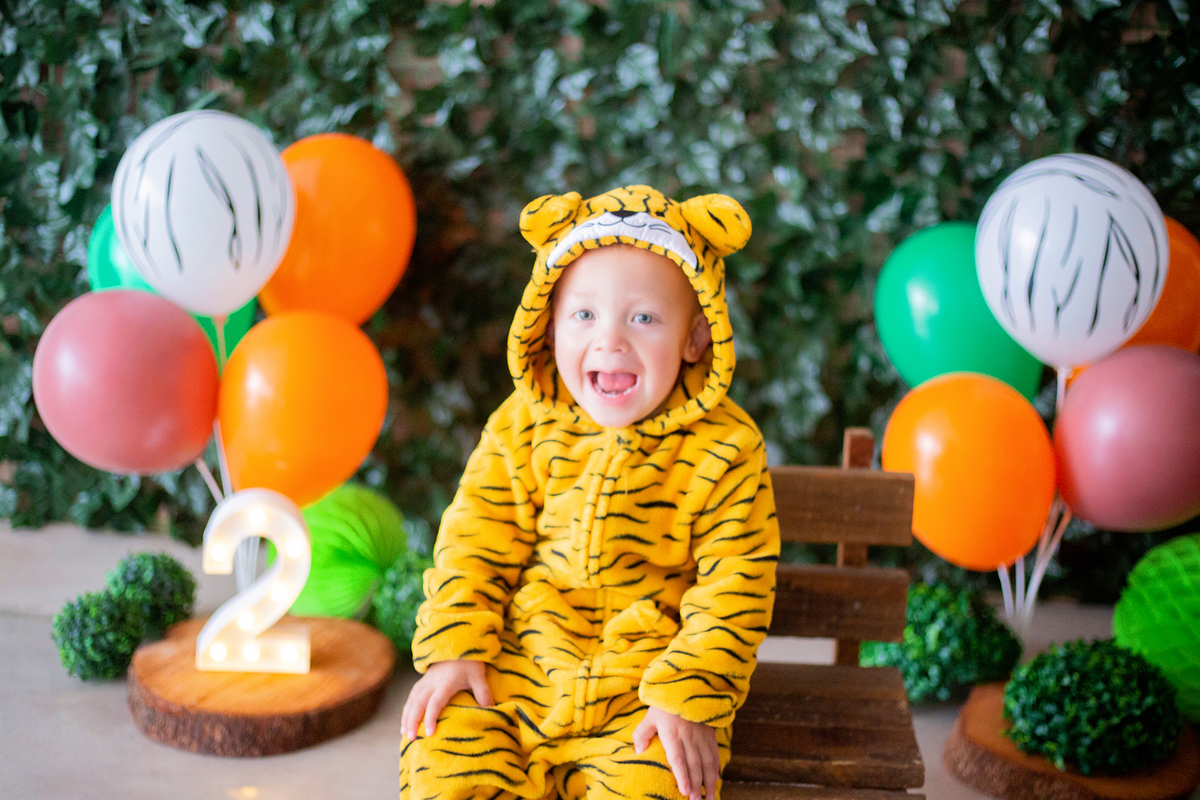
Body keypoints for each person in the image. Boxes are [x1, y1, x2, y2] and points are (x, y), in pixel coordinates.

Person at [400, 185, 780, 800]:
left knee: (662, 781)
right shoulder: (521, 425)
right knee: (443, 759)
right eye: (584, 315)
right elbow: (473, 538)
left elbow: (737, 580)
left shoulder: (728, 448)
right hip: (521, 657)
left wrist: (689, 693)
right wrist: (456, 648)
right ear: (548, 329)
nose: (610, 341)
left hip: (648, 680)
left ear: (696, 338)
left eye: (644, 318)